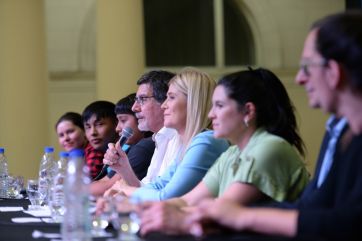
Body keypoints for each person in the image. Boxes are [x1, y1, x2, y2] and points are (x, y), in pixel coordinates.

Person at [189, 11, 362, 240]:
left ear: (333, 72)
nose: (300, 78)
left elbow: (347, 224)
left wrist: (242, 217)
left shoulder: (274, 145)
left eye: (307, 67)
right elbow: (314, 205)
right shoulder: (341, 133)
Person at [138, 68, 309, 235]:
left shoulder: (269, 147)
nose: (211, 114)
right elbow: (187, 200)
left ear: (248, 111)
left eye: (219, 106)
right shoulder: (232, 153)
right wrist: (136, 207)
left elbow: (222, 210)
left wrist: (165, 213)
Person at [103, 67, 229, 201]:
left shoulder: (206, 141)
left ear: (192, 102)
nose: (164, 105)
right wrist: (124, 170)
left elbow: (166, 197)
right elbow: (155, 188)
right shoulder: (185, 143)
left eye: (171, 97)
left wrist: (125, 189)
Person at [90, 93, 155, 196]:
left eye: (123, 120)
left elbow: (107, 187)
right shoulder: (129, 147)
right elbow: (104, 181)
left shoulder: (143, 148)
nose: (117, 128)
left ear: (140, 118)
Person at [82, 100, 118, 180]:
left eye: (99, 124)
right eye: (88, 127)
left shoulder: (126, 151)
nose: (92, 133)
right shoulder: (95, 152)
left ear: (116, 123)